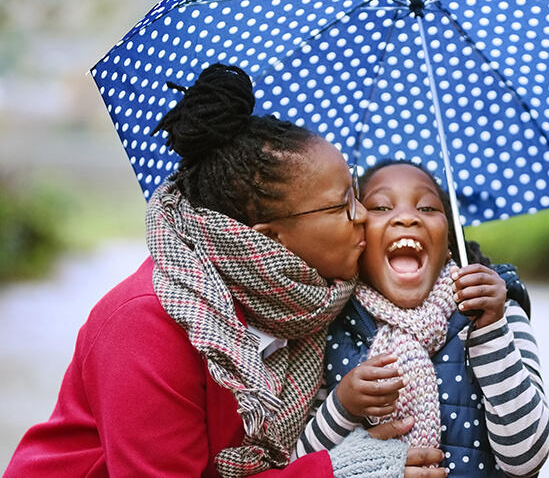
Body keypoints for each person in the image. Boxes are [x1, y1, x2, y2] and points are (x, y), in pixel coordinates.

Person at [2, 66, 440, 478]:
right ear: (271, 239)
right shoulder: (147, 324)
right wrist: (339, 470)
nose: (364, 216)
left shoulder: (310, 300)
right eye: (344, 203)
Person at [294, 161, 549, 477]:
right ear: (359, 239)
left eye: (428, 207)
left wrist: (490, 329)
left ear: (448, 243)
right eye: (380, 206)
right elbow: (299, 466)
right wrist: (342, 406)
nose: (407, 217)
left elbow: (527, 458)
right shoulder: (330, 323)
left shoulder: (498, 311)